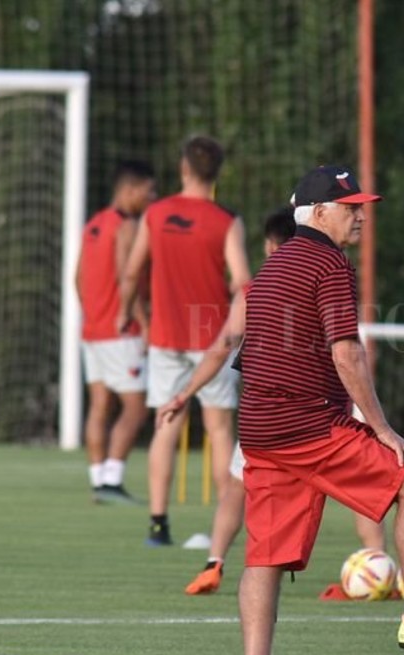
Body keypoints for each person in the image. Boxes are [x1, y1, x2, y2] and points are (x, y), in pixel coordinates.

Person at [234, 166, 404, 654]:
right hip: (306, 424)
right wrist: (382, 429)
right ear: (318, 212)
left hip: (261, 430)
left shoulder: (274, 264)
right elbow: (346, 352)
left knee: (264, 558)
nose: (360, 217)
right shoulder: (328, 264)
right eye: (350, 208)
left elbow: (250, 355)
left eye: (362, 208)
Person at [156, 209, 387, 596]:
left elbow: (221, 349)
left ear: (269, 245)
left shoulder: (257, 287)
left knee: (236, 487)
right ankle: (379, 563)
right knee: (368, 488)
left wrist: (185, 393)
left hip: (274, 418)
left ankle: (215, 562)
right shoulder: (329, 269)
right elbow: (351, 349)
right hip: (333, 408)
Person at [119, 136, 251, 545]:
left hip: (166, 336)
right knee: (219, 430)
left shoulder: (156, 214)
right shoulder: (226, 221)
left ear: (184, 169)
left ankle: (158, 525)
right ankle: (220, 533)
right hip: (212, 337)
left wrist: (126, 312)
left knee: (166, 424)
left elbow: (130, 272)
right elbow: (243, 282)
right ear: (217, 173)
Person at [77, 160, 156, 504]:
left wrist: (93, 312)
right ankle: (111, 481)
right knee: (136, 407)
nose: (152, 197)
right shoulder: (126, 226)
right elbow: (129, 277)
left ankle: (99, 481)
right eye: (148, 191)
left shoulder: (93, 224)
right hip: (122, 331)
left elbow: (77, 279)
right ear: (130, 190)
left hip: (92, 329)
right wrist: (144, 322)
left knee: (99, 405)